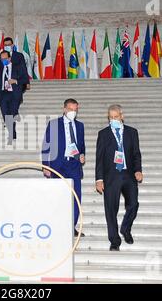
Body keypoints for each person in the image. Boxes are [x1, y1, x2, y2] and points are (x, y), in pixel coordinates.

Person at [95, 105, 143, 252]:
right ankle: (114, 240)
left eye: (116, 117)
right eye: (111, 117)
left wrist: (138, 170)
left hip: (128, 175)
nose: (113, 119)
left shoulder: (132, 132)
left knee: (133, 204)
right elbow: (100, 158)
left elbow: (136, 154)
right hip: (111, 177)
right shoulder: (103, 134)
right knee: (111, 209)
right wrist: (99, 179)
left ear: (122, 116)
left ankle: (125, 229)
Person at [42, 99, 86, 237]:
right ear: (64, 109)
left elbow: (81, 145)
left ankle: (71, 226)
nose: (73, 112)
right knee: (57, 196)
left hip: (73, 165)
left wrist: (82, 155)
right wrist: (45, 165)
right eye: (71, 109)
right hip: (58, 165)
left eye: (75, 110)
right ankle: (57, 226)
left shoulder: (80, 126)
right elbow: (46, 144)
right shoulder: (54, 124)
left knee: (76, 197)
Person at [0, 50, 28, 145]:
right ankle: (11, 130)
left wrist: (15, 81)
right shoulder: (0, 69)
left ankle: (12, 133)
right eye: (2, 59)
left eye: (5, 58)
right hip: (3, 94)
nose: (3, 61)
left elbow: (25, 78)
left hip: (14, 93)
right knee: (5, 113)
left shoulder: (18, 67)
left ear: (10, 58)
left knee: (12, 112)